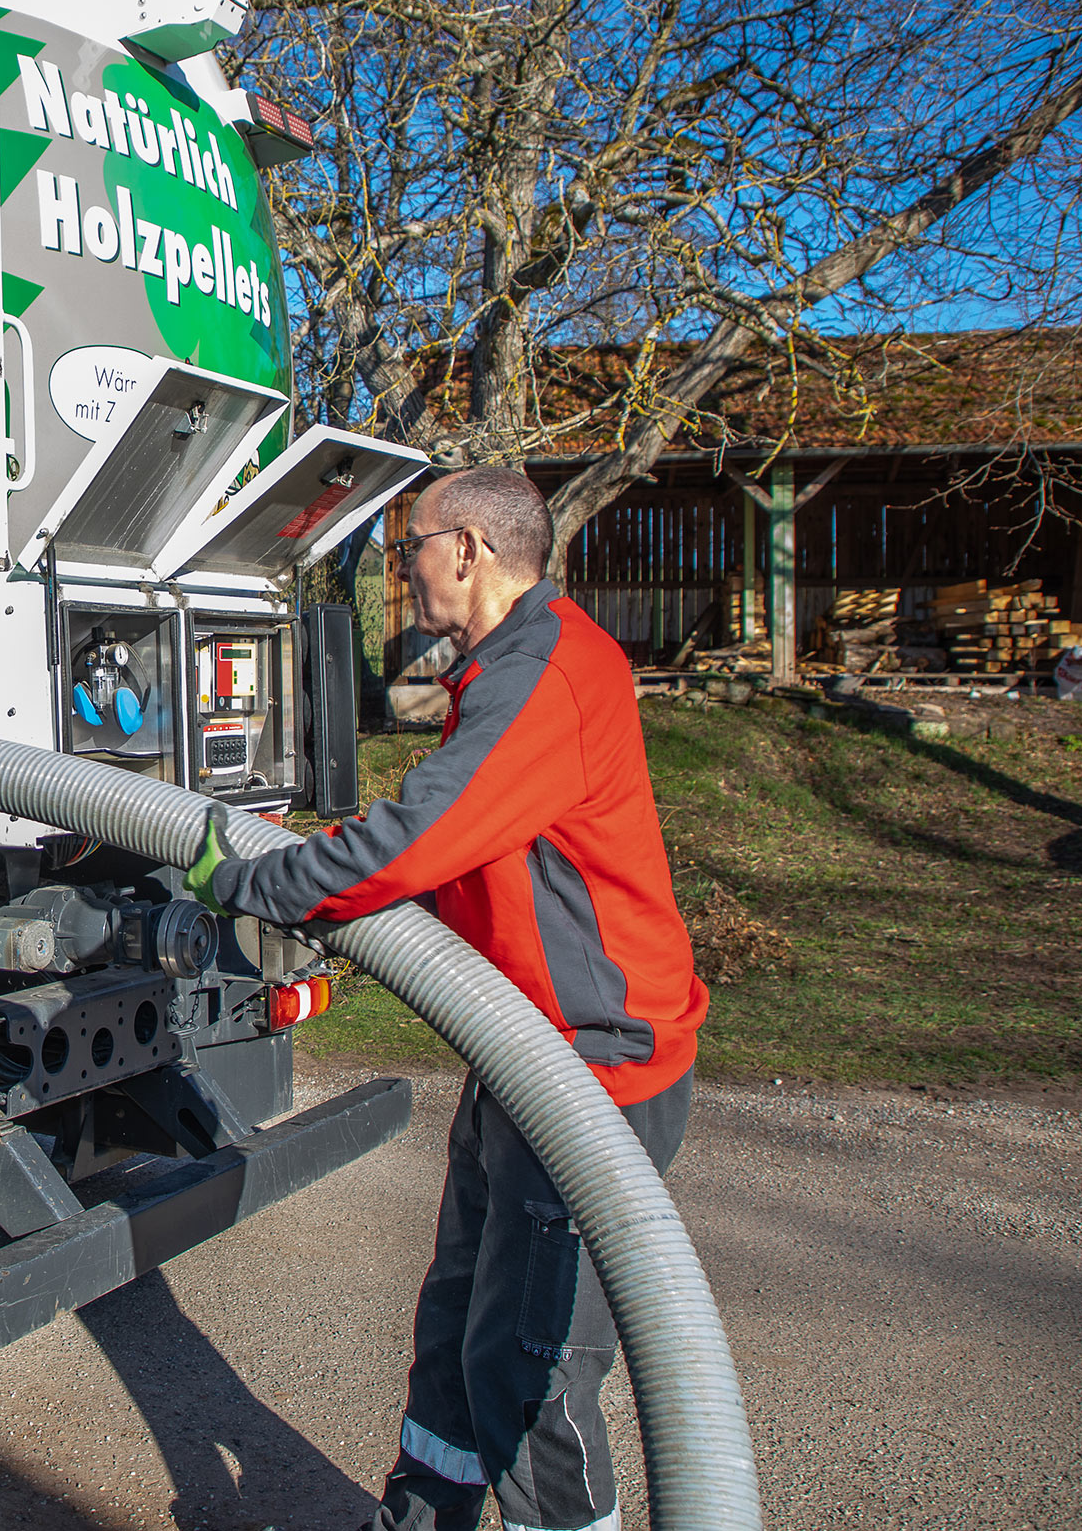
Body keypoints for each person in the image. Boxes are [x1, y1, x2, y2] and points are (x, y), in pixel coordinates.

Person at [185, 466, 705, 1531]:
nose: (400, 568)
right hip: (523, 1051)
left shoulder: (542, 673)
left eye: (406, 545)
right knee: (459, 1325)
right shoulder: (514, 665)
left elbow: (418, 837)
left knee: (532, 1374)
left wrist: (254, 880)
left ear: (464, 549)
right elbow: (466, 859)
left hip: (590, 1070)